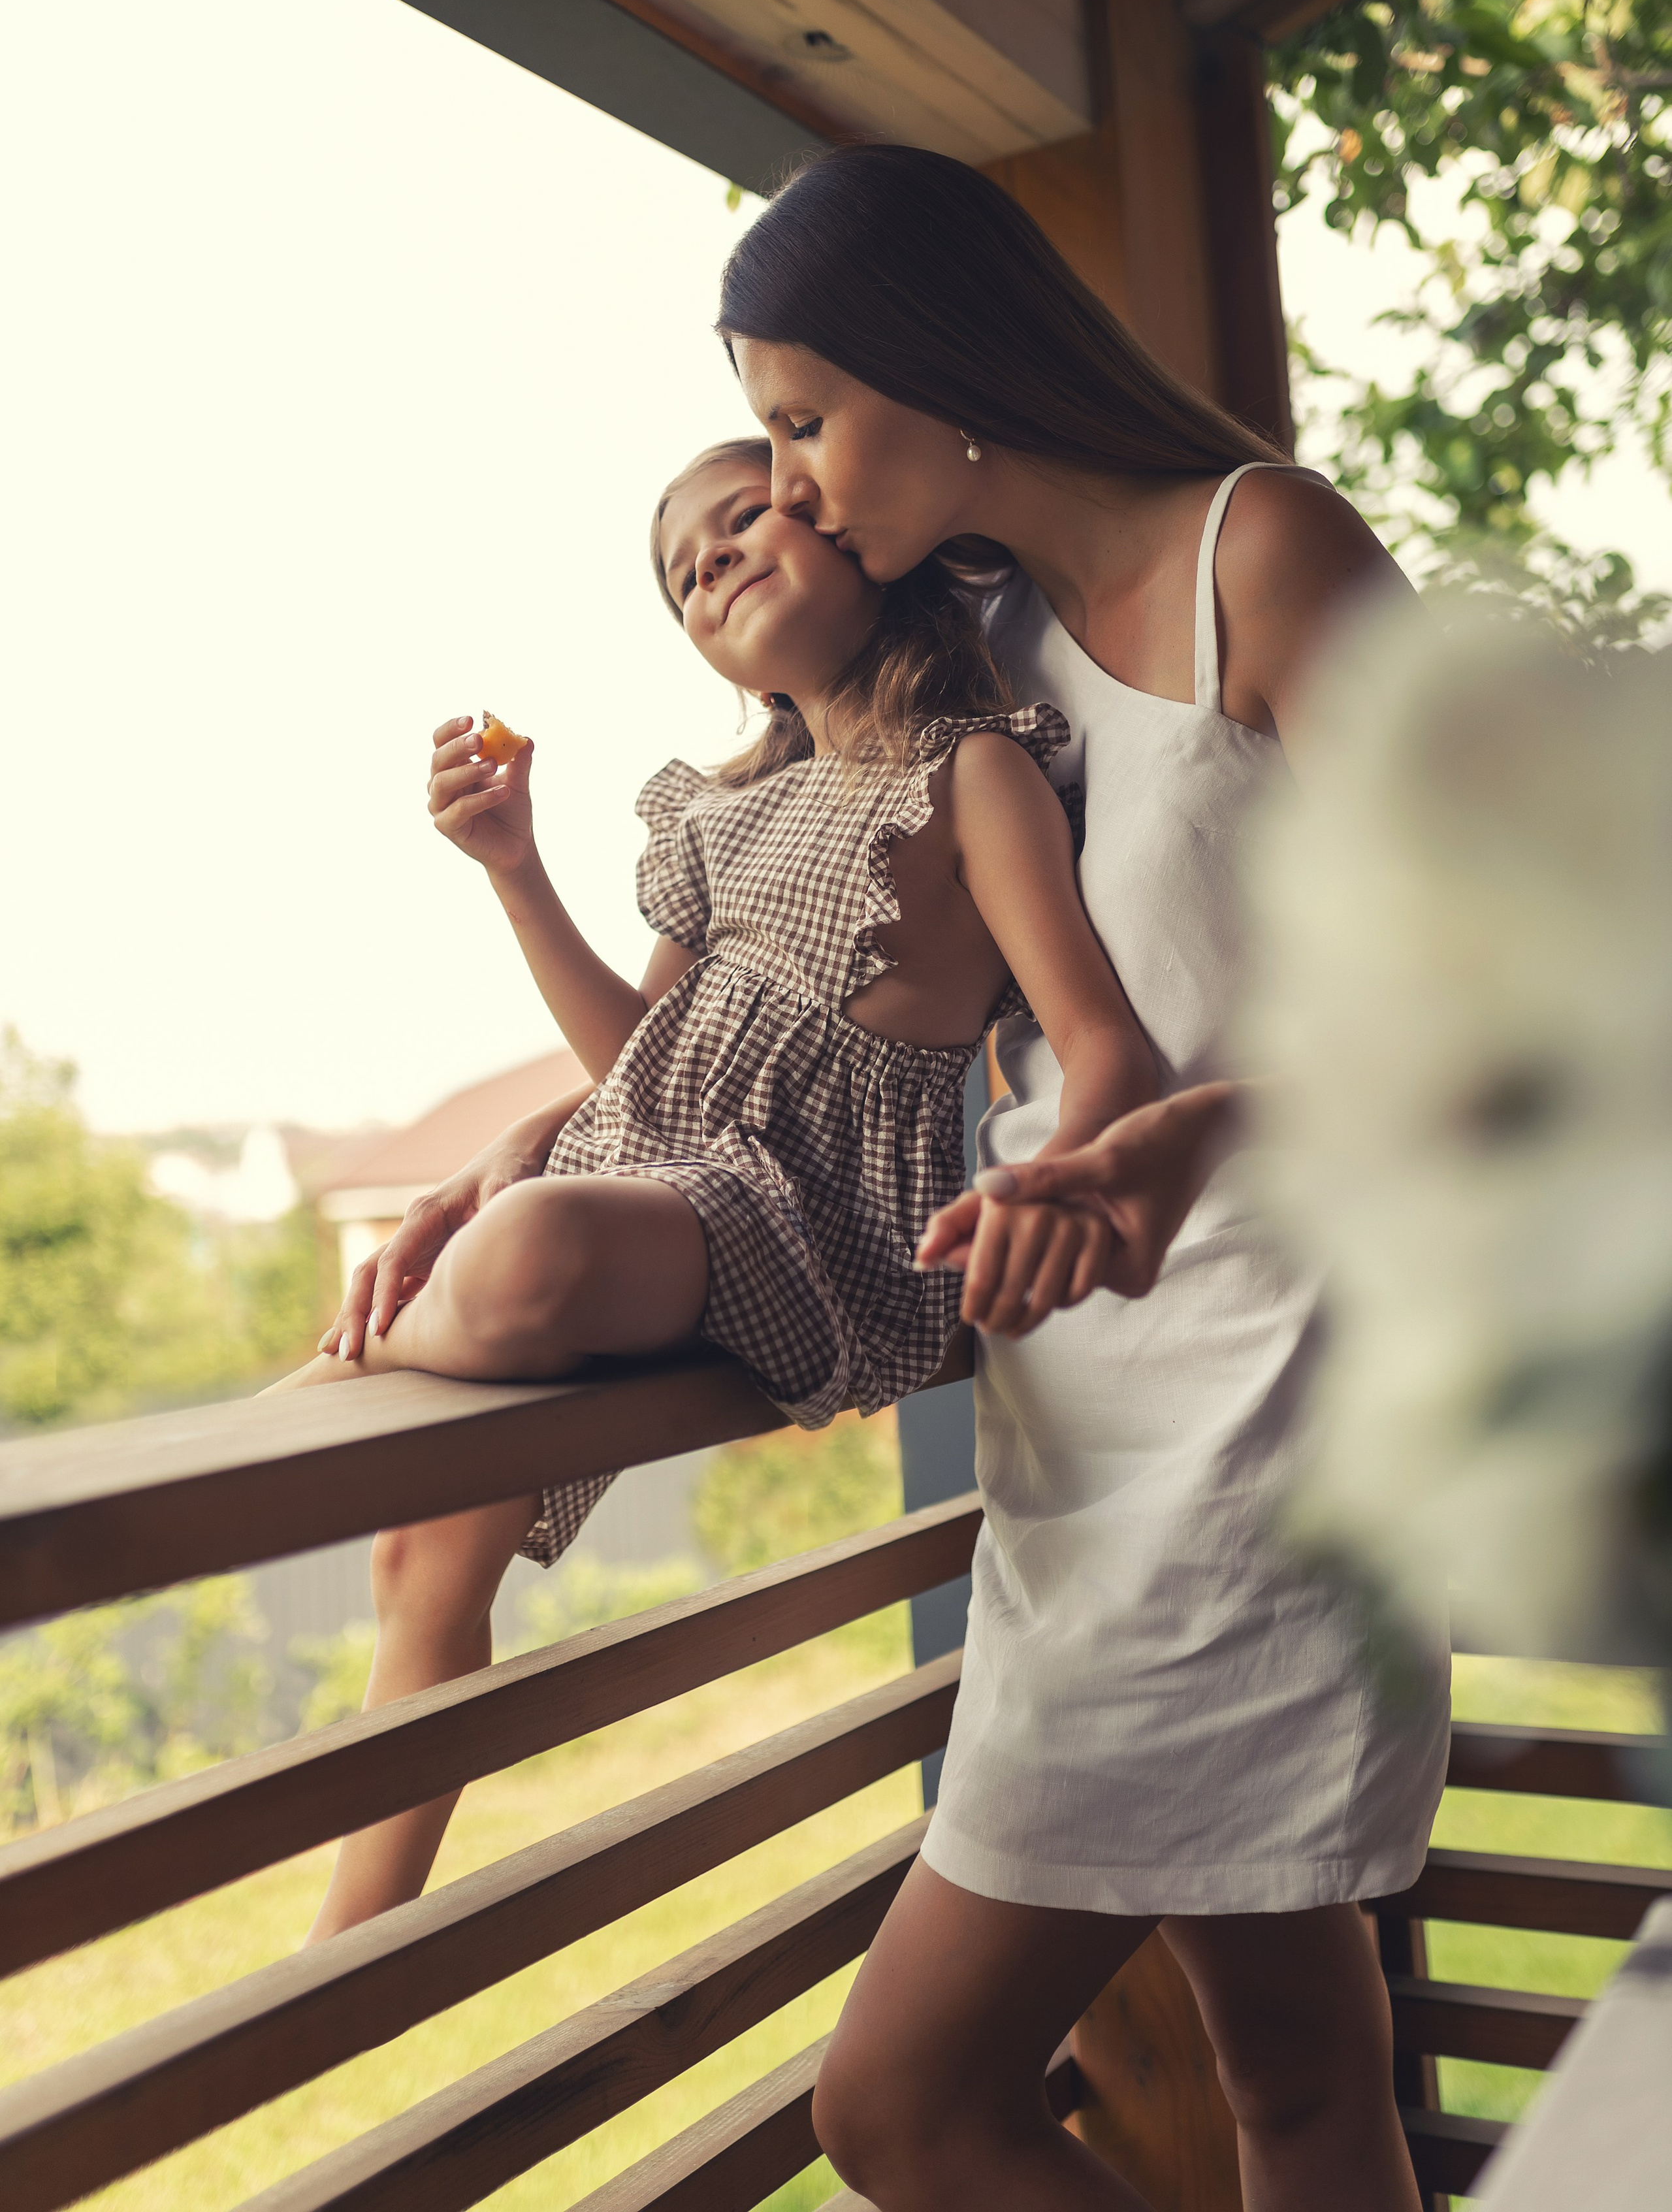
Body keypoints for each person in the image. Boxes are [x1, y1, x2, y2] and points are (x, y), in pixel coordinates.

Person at [715, 144, 1449, 2212]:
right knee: (1300, 2086)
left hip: (1275, 1431)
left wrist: (1188, 1135)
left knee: (899, 2106)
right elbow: (780, 952)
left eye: (803, 421)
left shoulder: (1265, 551)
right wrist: (533, 1160)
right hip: (1075, 1434)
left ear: (937, 371)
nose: (787, 489)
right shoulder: (975, 648)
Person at [281, 434, 1158, 1942]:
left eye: (745, 519)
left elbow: (1096, 1036)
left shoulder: (975, 770)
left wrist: (1064, 1179)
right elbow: (640, 1056)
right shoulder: (720, 811)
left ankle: (325, 1382)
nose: (716, 562)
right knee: (427, 1545)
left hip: (814, 1217)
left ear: (853, 540)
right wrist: (514, 868)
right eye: (686, 571)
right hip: (662, 1173)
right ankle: (325, 1969)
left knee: (523, 1248)